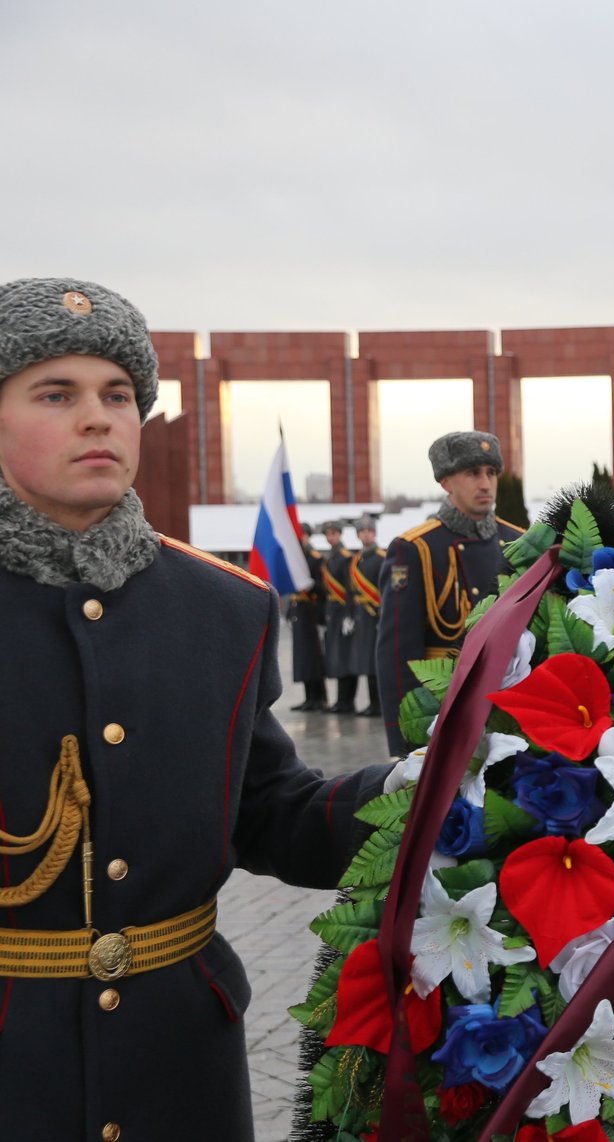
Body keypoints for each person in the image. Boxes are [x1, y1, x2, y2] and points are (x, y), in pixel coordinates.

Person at [0, 277, 389, 1139]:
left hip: (180, 1071)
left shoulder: (223, 607)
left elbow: (266, 810)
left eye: (119, 395)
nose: (98, 417)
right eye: (55, 394)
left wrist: (425, 789)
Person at [375, 431, 524, 755]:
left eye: (491, 473)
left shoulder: (519, 543)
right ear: (446, 482)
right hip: (444, 706)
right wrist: (407, 742)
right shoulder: (416, 548)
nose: (485, 483)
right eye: (473, 473)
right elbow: (397, 655)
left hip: (512, 708)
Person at [346, 514, 387, 717]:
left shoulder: (382, 558)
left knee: (374, 662)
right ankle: (372, 703)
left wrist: (383, 615)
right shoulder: (357, 560)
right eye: (362, 531)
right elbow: (352, 591)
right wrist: (351, 614)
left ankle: (379, 704)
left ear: (375, 533)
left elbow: (387, 590)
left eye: (369, 531)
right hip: (362, 616)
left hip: (376, 616)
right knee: (365, 661)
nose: (366, 535)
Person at [318, 519, 359, 713]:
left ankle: (347, 701)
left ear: (340, 534)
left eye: (333, 533)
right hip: (333, 612)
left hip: (343, 611)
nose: (330, 537)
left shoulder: (345, 557)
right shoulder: (331, 558)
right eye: (328, 534)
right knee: (336, 656)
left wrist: (350, 614)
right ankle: (340, 700)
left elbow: (351, 588)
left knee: (344, 657)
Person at [286, 537, 328, 712]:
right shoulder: (294, 559)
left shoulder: (315, 559)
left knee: (314, 658)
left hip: (312, 612)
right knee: (302, 658)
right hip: (299, 612)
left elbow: (324, 588)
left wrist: (312, 586)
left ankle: (320, 698)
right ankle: (309, 697)